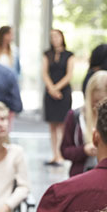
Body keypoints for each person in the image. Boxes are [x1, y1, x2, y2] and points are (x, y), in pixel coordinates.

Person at [60, 69, 107, 177]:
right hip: (81, 175)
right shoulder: (76, 116)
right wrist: (84, 150)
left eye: (104, 102)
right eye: (95, 101)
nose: (98, 106)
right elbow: (64, 150)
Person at [42, 29, 74, 165]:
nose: (54, 39)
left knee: (62, 124)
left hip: (63, 92)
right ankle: (54, 154)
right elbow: (44, 72)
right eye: (52, 37)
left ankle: (61, 154)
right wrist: (51, 88)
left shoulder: (69, 55)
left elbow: (69, 75)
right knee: (52, 125)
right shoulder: (46, 54)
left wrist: (56, 88)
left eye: (57, 36)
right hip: (50, 92)